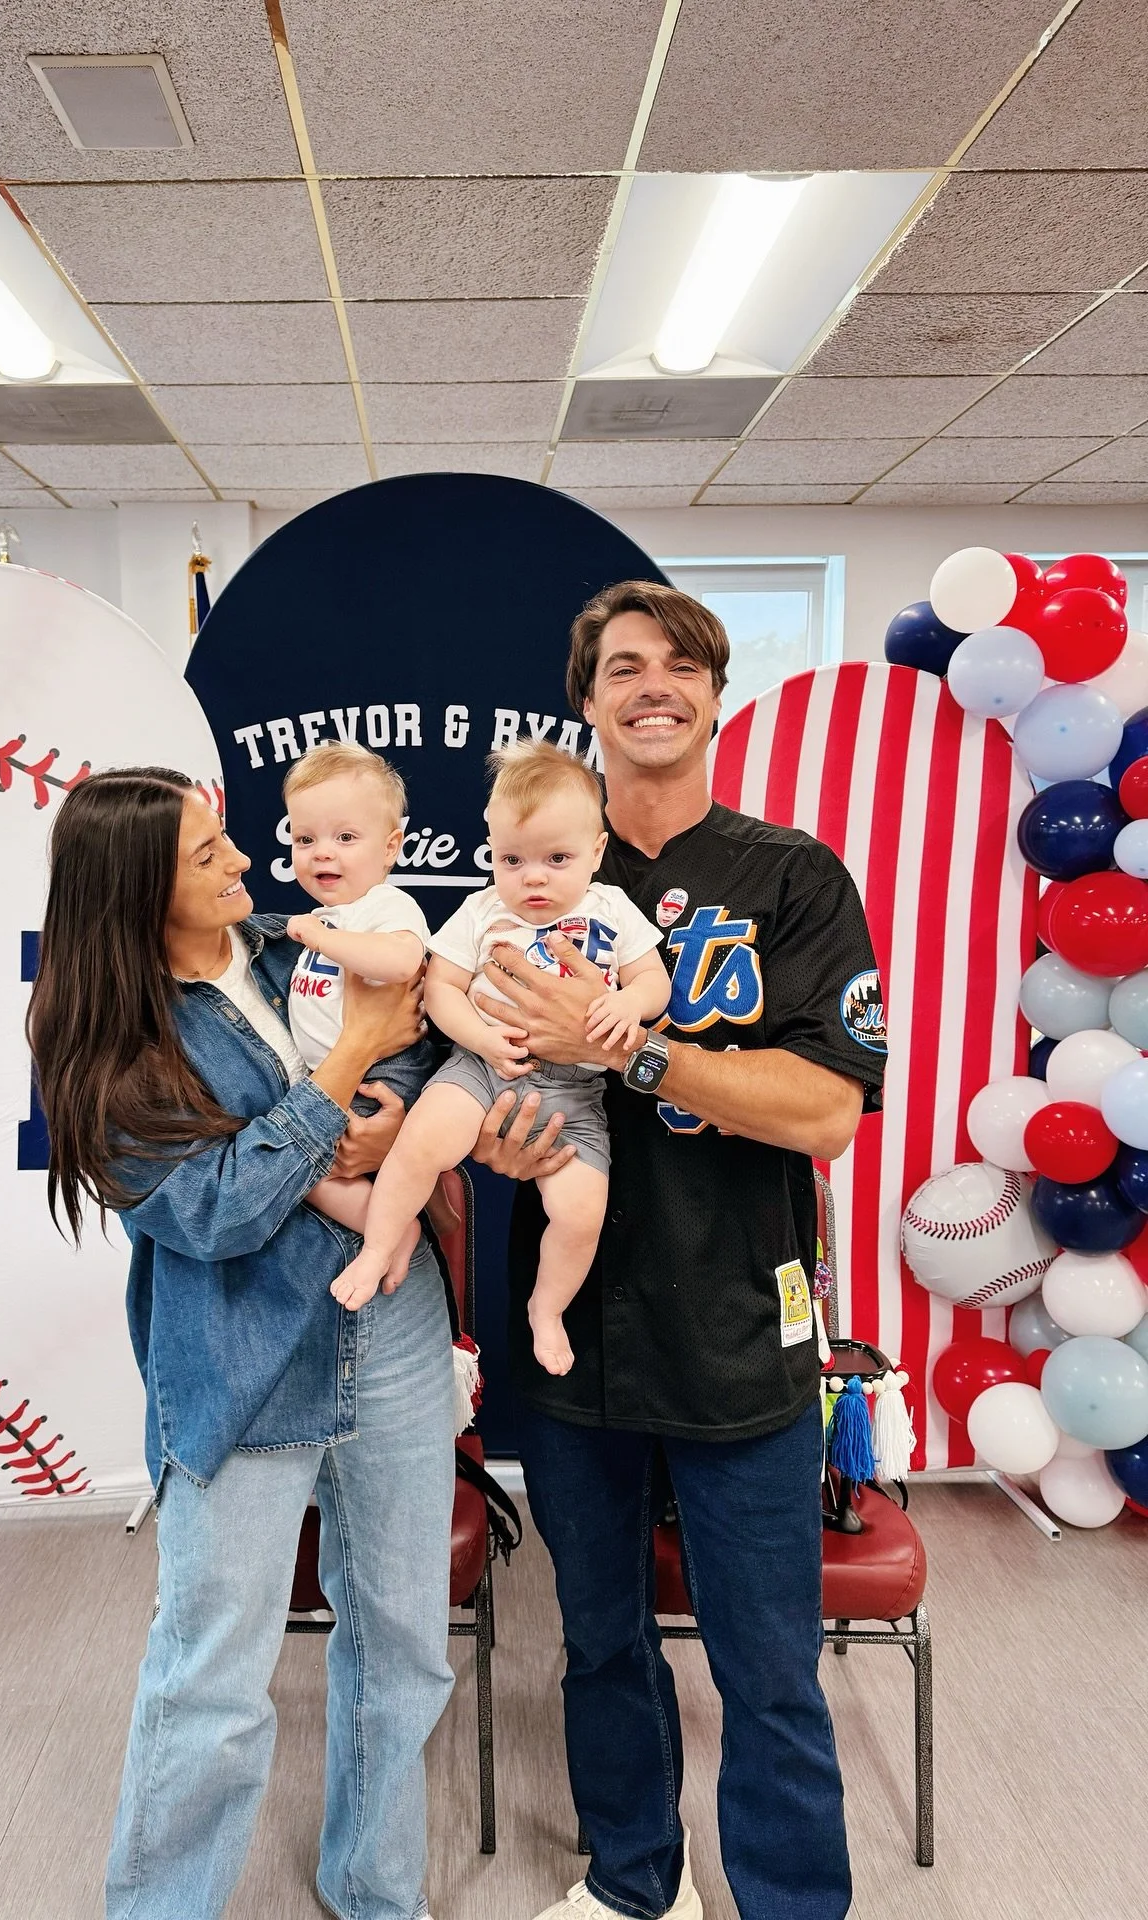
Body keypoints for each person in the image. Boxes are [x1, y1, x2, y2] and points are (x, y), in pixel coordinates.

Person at [473, 584, 885, 1920]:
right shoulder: (526, 886)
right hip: (574, 1325)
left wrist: (642, 1051)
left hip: (737, 1324)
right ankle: (635, 1883)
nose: (655, 686)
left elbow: (828, 1111)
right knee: (598, 1644)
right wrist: (492, 1139)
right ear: (585, 702)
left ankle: (789, 1901)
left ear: (715, 694)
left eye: (682, 667)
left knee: (767, 1661)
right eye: (623, 667)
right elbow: (470, 1088)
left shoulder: (795, 876)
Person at [28, 766, 454, 1920]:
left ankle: (377, 1894)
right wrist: (346, 1065)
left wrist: (398, 1119)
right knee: (212, 1676)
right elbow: (210, 1211)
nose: (239, 862)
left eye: (227, 839)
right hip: (241, 1359)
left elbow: (420, 1049)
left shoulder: (297, 942)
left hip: (397, 1330)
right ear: (132, 890)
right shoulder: (110, 1040)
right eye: (205, 852)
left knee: (408, 1647)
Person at [331, 741, 670, 1384]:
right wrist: (482, 1042)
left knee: (581, 1211)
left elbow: (655, 983)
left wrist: (629, 1007)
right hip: (482, 1069)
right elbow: (441, 989)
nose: (532, 878)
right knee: (418, 1145)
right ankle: (378, 1246)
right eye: (511, 860)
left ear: (596, 853)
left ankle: (547, 1308)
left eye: (556, 859)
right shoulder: (484, 911)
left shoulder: (611, 910)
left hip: (575, 1094)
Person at [282, 739, 433, 1288]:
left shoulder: (384, 907)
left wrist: (326, 936)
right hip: (336, 1076)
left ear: (391, 847)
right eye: (305, 838)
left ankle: (386, 1232)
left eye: (345, 838)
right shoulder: (330, 918)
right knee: (295, 1166)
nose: (323, 852)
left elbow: (401, 961)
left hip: (383, 1074)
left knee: (303, 1158)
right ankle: (386, 1229)